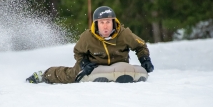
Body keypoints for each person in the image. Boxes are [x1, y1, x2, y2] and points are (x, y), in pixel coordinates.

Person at [26, 6, 154, 84]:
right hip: (92, 65)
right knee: (70, 76)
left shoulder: (124, 34)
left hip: (118, 64)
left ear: (114, 23)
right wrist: (84, 63)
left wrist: (145, 59)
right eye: (102, 22)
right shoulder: (87, 37)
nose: (105, 26)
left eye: (108, 22)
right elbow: (78, 52)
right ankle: (44, 74)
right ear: (96, 24)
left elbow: (140, 46)